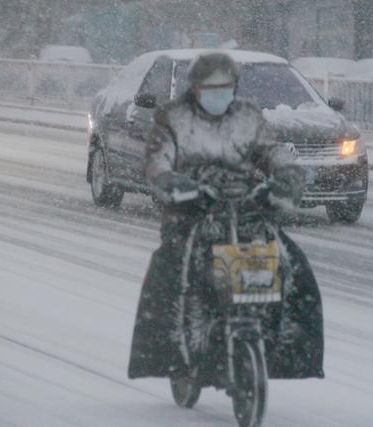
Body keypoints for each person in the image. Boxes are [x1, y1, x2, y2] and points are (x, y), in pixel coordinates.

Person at [128, 52, 324, 380]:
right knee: (170, 272)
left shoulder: (248, 116)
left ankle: (286, 351)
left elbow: (272, 152)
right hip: (192, 213)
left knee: (292, 266)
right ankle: (170, 355)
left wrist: (288, 176)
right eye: (211, 87)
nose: (219, 93)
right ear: (195, 88)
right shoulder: (173, 118)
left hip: (246, 209)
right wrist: (171, 182)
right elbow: (157, 161)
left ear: (235, 86)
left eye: (226, 86)